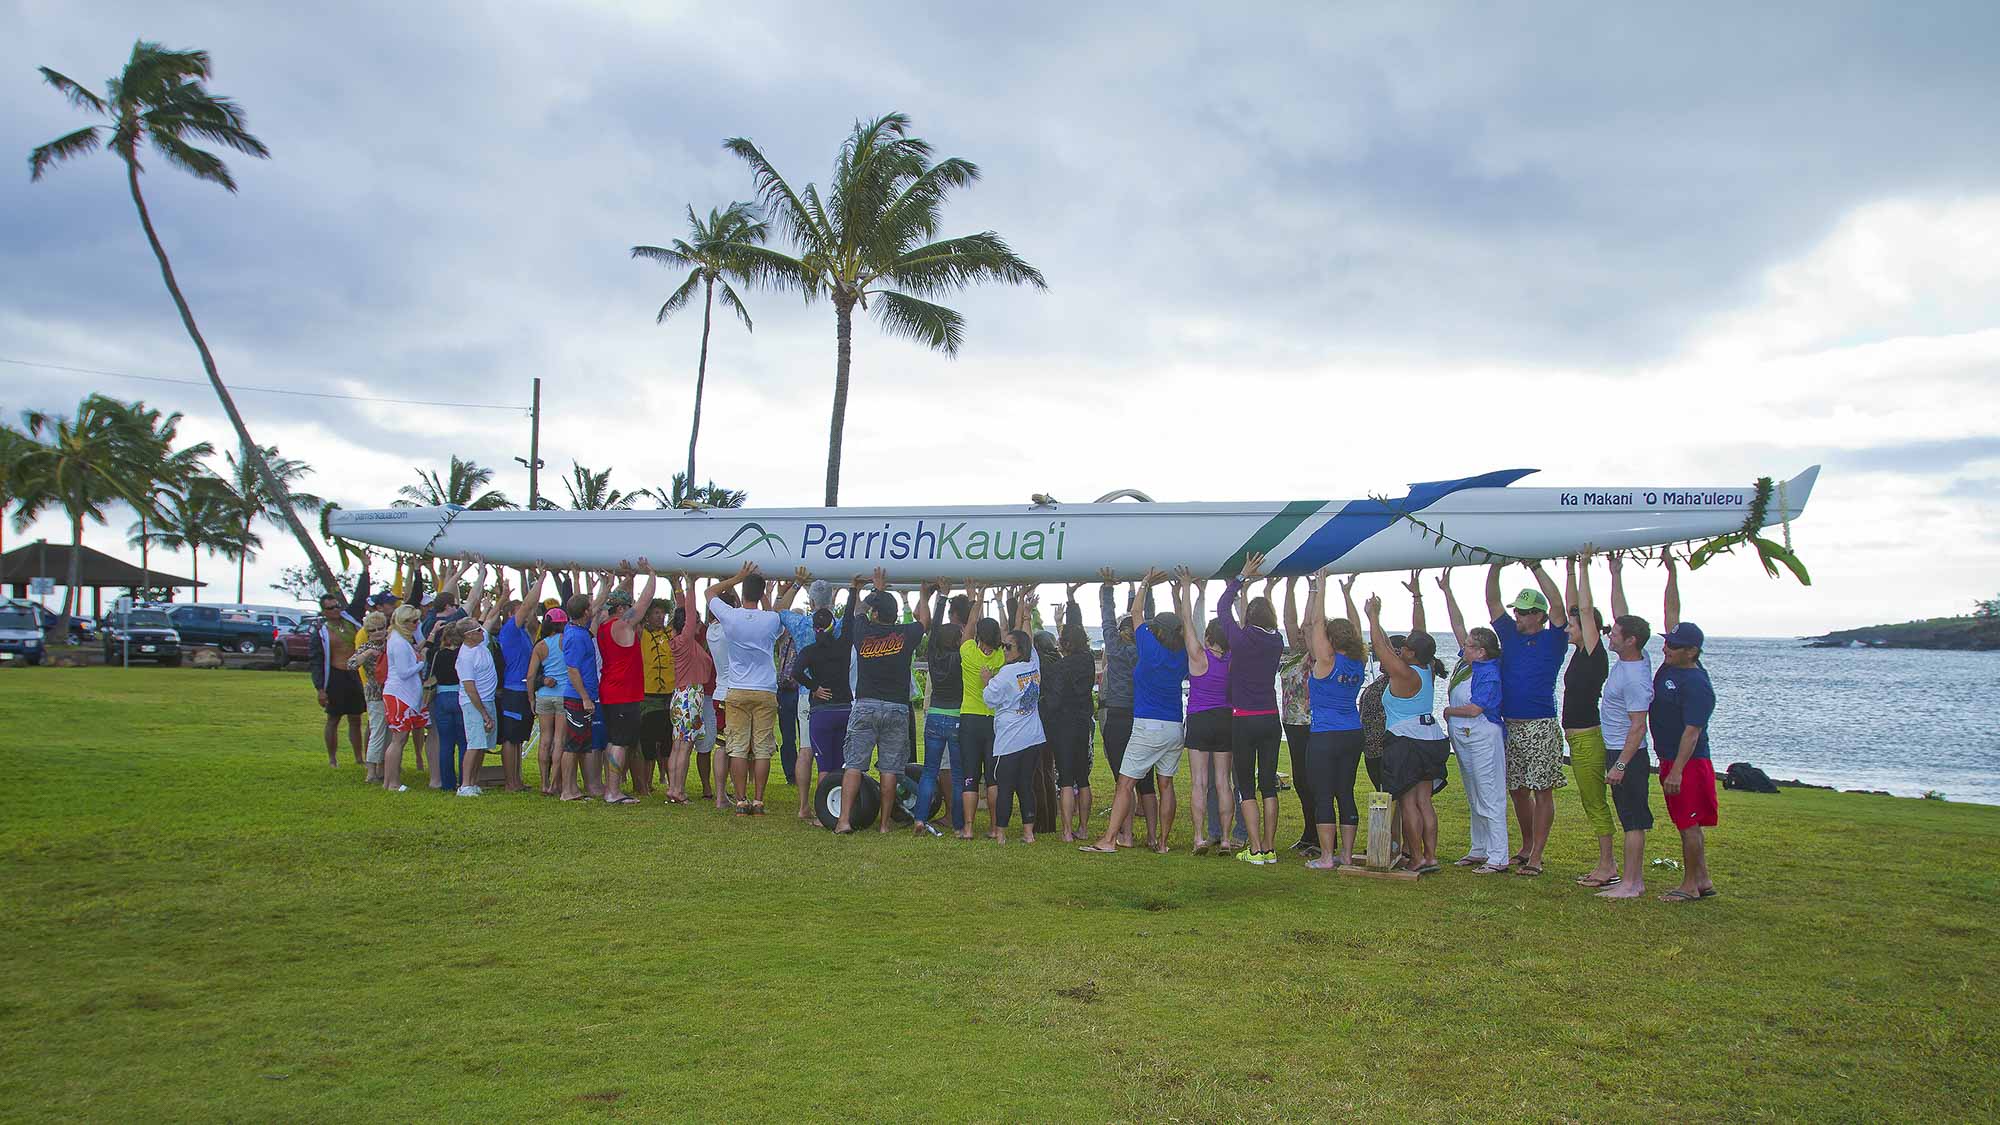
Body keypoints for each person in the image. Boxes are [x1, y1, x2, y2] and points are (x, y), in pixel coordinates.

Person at [1082, 569, 1201, 855]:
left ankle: (1110, 839)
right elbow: (1170, 622)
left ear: (1156, 630)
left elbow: (1136, 614)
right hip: (1174, 725)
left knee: (1125, 784)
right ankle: (1161, 843)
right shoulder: (1182, 654)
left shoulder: (1147, 647)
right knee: (1166, 785)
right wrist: (1178, 592)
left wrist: (1144, 583)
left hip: (1148, 724)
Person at [1484, 559, 1569, 876]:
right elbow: (1492, 602)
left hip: (1540, 724)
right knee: (1518, 788)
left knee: (1541, 788)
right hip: (1512, 724)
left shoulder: (1553, 639)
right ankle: (1527, 845)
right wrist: (1494, 566)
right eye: (1516, 611)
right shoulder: (1510, 635)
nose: (1516, 616)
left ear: (1537, 616)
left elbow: (1558, 604)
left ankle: (1537, 856)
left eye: (1522, 612)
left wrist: (1536, 568)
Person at [835, 568, 932, 835]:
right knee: (889, 768)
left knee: (854, 764)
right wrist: (923, 594)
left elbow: (857, 611)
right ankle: (884, 824)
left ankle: (844, 820)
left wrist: (870, 589)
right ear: (894, 615)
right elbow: (925, 621)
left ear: (875, 614)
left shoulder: (863, 631)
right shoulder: (905, 634)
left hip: (865, 705)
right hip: (896, 708)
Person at [1651, 553, 1718, 903]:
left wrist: (1676, 770)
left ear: (1692, 652)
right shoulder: (1671, 664)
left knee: (1688, 824)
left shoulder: (1695, 684)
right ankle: (1702, 878)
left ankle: (1690, 884)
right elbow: (1671, 614)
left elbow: (1692, 732)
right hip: (1670, 758)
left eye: (1675, 646)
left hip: (1687, 762)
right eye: (1667, 642)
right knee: (1684, 821)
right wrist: (1671, 571)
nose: (1667, 648)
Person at [1367, 590, 1449, 874]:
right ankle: (1431, 856)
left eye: (1406, 648)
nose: (1400, 649)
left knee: (1410, 802)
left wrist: (1373, 616)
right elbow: (1420, 633)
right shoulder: (1427, 666)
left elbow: (1380, 647)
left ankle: (1415, 858)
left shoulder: (1405, 673)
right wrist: (1417, 599)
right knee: (1424, 801)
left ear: (1412, 653)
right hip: (1431, 738)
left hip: (1405, 741)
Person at [1437, 569, 1510, 873]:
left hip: (1482, 733)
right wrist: (1447, 591)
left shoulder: (1488, 671)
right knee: (1473, 791)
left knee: (1489, 791)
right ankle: (1479, 847)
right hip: (1465, 736)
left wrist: (1449, 712)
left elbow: (1476, 708)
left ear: (1481, 650)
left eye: (1469, 645)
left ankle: (1498, 855)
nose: (1463, 646)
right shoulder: (1468, 664)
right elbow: (1457, 625)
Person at [1595, 550, 1656, 900]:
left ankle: (1633, 883)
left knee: (1634, 819)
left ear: (1631, 640)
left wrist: (1621, 763)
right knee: (1626, 815)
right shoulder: (1636, 656)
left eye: (1615, 634)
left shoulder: (1635, 678)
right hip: (1617, 749)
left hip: (1627, 752)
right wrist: (1615, 574)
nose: (1610, 636)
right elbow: (1623, 615)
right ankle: (1628, 879)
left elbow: (1638, 726)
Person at [1300, 570, 1368, 870]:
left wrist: (1321, 586)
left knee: (1324, 794)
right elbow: (1357, 629)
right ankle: (1347, 856)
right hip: (1353, 733)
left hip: (1326, 736)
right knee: (1345, 792)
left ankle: (1327, 857)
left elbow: (1316, 623)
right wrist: (1348, 595)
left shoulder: (1325, 661)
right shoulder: (1357, 660)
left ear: (1328, 640)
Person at [1221, 553, 1286, 866]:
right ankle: (1270, 848)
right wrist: (1263, 590)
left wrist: (1241, 578)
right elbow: (1258, 621)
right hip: (1271, 720)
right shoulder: (1277, 642)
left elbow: (1222, 608)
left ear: (1248, 618)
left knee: (1244, 785)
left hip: (1244, 720)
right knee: (1268, 783)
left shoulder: (1241, 640)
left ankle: (1256, 849)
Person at [706, 561, 784, 814]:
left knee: (736, 747)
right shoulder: (770, 619)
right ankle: (759, 800)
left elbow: (710, 593)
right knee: (762, 748)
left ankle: (740, 800)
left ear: (743, 591)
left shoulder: (730, 616)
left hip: (737, 688)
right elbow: (777, 619)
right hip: (765, 689)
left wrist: (736, 577)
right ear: (762, 594)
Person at [1562, 552, 1616, 885]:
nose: (1567, 629)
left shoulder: (1595, 655)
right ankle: (1606, 862)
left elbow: (1583, 610)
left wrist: (1583, 567)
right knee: (1589, 800)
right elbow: (1574, 608)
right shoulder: (1580, 653)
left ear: (1588, 628)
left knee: (1595, 801)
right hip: (1577, 737)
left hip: (1587, 737)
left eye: (1572, 626)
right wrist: (1568, 569)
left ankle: (1608, 865)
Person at [1096, 569, 1159, 847]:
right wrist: (1145, 591)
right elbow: (1150, 620)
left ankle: (1128, 835)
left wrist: (1107, 588)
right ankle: (1155, 836)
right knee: (1147, 782)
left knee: (1123, 779)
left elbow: (1107, 620)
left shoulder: (1115, 648)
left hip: (1118, 716)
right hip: (1142, 715)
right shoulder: (1147, 649)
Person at [595, 559, 659, 806]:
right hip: (624, 694)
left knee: (614, 741)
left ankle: (611, 788)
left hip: (611, 692)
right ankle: (613, 791)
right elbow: (643, 604)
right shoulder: (622, 625)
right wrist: (651, 575)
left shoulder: (603, 623)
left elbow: (620, 600)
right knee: (621, 743)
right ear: (622, 609)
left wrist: (629, 578)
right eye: (627, 607)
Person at [983, 602, 1044, 844]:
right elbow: (1029, 639)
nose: (1004, 649)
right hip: (1034, 737)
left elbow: (989, 699)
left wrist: (987, 680)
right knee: (1026, 786)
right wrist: (1026, 617)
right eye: (1003, 645)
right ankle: (1028, 833)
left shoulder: (1006, 674)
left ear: (1019, 650)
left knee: (1005, 786)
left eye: (1008, 647)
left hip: (1009, 740)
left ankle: (1001, 833)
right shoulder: (1034, 664)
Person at [792, 596, 855, 821]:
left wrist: (814, 688)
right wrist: (853, 591)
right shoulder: (844, 644)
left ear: (814, 628)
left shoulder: (809, 651)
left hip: (822, 713)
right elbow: (849, 622)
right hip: (844, 710)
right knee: (839, 763)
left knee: (824, 766)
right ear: (833, 626)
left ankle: (823, 815)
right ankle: (838, 809)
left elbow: (796, 672)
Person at [956, 581, 1008, 840]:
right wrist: (1000, 601)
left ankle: (967, 828)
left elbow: (967, 631)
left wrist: (976, 598)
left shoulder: (968, 652)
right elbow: (1009, 631)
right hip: (994, 721)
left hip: (969, 719)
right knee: (993, 778)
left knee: (970, 775)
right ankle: (994, 827)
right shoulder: (1001, 658)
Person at [1048, 587, 1098, 843]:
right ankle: (1084, 828)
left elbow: (1055, 699)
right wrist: (1072, 602)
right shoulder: (1088, 660)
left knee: (1065, 779)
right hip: (1083, 722)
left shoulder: (1061, 666)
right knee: (1083, 777)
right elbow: (1074, 630)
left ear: (1064, 644)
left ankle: (1067, 831)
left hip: (1064, 724)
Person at [918, 582, 968, 835]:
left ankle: (919, 818)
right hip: (956, 716)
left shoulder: (933, 656)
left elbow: (935, 629)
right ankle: (959, 824)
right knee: (958, 775)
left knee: (929, 772)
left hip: (935, 714)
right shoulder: (962, 659)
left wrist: (941, 598)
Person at [309, 566, 371, 768]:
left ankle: (358, 757)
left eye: (337, 606)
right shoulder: (321, 631)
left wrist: (365, 570)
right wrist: (320, 688)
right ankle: (332, 758)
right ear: (324, 611)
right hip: (335, 676)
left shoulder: (350, 619)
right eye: (331, 608)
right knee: (333, 719)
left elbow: (361, 597)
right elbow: (316, 660)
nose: (336, 610)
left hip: (354, 675)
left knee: (356, 718)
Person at [1183, 609, 1233, 856]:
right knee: (1224, 782)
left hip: (1200, 718)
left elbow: (1187, 623)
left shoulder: (1199, 657)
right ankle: (1225, 839)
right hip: (1225, 718)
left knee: (1199, 782)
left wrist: (1186, 589)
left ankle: (1199, 837)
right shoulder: (1233, 660)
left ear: (1209, 637)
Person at [491, 565, 545, 793]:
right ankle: (510, 782)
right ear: (513, 614)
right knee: (511, 739)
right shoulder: (510, 630)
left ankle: (517, 779)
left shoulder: (524, 632)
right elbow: (528, 605)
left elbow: (530, 607)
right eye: (523, 612)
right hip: (513, 690)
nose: (530, 614)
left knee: (519, 738)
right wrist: (540, 578)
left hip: (524, 691)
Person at [558, 577, 611, 802]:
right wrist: (585, 698)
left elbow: (596, 606)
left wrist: (607, 586)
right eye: (590, 608)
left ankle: (573, 789)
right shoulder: (575, 636)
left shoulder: (579, 627)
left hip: (585, 696)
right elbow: (572, 670)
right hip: (577, 698)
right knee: (572, 746)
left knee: (580, 744)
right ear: (584, 612)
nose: (594, 610)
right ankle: (567, 790)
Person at [666, 576, 715, 805]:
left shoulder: (681, 641)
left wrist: (679, 590)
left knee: (679, 744)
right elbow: (689, 614)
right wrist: (691, 585)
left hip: (680, 695)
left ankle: (674, 788)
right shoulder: (686, 641)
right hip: (690, 696)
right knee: (684, 747)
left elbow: (683, 612)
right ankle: (677, 790)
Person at [1278, 576, 1318, 854]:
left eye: (1305, 635)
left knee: (1313, 781)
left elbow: (1307, 623)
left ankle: (1319, 836)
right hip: (1291, 725)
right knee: (1301, 781)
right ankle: (1309, 832)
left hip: (1310, 724)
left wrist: (1313, 590)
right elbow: (1290, 622)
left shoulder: (1315, 658)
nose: (1299, 635)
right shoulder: (1291, 655)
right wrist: (1290, 586)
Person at [380, 604, 428, 792]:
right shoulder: (398, 642)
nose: (417, 624)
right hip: (400, 694)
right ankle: (392, 782)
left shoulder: (399, 639)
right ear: (403, 622)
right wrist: (421, 662)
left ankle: (390, 781)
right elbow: (403, 671)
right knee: (398, 739)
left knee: (399, 739)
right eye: (413, 621)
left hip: (403, 694)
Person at [525, 609, 570, 796]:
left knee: (545, 740)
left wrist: (531, 699)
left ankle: (543, 783)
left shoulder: (540, 646)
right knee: (559, 740)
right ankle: (555, 784)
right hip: (563, 694)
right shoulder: (566, 641)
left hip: (544, 695)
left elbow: (530, 676)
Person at [454, 611, 500, 796]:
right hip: (474, 704)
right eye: (477, 629)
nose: (482, 631)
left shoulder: (481, 642)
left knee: (483, 744)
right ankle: (465, 785)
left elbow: (490, 620)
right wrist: (484, 714)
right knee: (474, 743)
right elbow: (470, 689)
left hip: (487, 700)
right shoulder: (465, 657)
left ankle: (474, 782)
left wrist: (501, 599)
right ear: (468, 635)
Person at [638, 592, 677, 800]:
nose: (659, 617)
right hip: (648, 696)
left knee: (667, 745)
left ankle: (672, 784)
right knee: (648, 745)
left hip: (669, 695)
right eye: (655, 613)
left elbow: (679, 616)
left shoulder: (670, 633)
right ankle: (645, 785)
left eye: (662, 613)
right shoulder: (641, 633)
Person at [349, 610, 389, 784]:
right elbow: (350, 663)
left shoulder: (390, 644)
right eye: (373, 630)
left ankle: (382, 768)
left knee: (388, 733)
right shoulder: (366, 647)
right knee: (378, 731)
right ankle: (371, 770)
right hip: (375, 693)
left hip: (391, 692)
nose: (378, 632)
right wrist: (365, 655)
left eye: (381, 628)